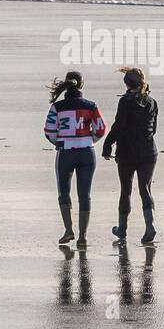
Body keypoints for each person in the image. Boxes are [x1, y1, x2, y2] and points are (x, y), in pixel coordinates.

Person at [44, 71, 106, 247]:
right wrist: (89, 140)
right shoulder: (91, 106)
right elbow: (101, 129)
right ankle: (83, 236)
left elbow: (49, 130)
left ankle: (68, 230)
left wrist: (60, 141)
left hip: (65, 153)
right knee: (84, 195)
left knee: (64, 193)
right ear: (81, 85)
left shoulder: (57, 107)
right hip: (87, 152)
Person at [102, 66, 159, 244]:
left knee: (126, 190)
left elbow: (119, 126)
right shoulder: (152, 102)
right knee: (145, 189)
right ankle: (150, 226)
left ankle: (122, 229)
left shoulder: (125, 102)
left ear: (126, 83)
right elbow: (154, 129)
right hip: (149, 151)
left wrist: (107, 144)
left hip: (127, 152)